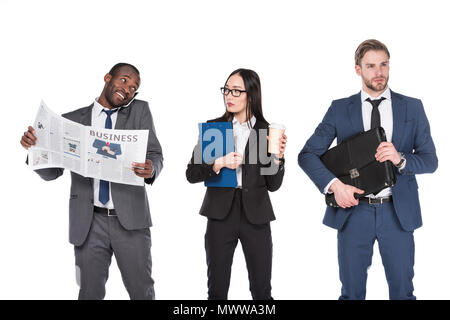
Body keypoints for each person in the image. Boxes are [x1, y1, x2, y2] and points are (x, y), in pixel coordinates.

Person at [298, 39, 438, 300]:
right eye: (371, 66)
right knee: (351, 295)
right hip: (354, 212)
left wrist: (401, 159)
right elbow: (307, 155)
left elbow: (431, 161)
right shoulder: (340, 109)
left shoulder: (413, 107)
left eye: (384, 64)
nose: (379, 72)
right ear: (357, 69)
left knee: (403, 294)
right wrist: (335, 186)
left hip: (398, 212)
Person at [20, 63, 163, 300]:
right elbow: (52, 172)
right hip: (88, 223)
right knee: (89, 293)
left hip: (130, 220)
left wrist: (151, 168)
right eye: (124, 80)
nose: (128, 90)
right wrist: (35, 150)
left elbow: (155, 153)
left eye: (134, 87)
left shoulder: (139, 111)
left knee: (142, 291)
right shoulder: (72, 120)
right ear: (108, 78)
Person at [186, 68, 287, 300]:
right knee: (217, 291)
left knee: (262, 291)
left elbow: (273, 184)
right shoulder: (214, 128)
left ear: (250, 95)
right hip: (220, 214)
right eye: (226, 90)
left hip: (257, 215)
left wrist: (279, 157)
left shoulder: (266, 131)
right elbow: (191, 174)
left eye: (235, 91)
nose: (228, 96)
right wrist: (218, 164)